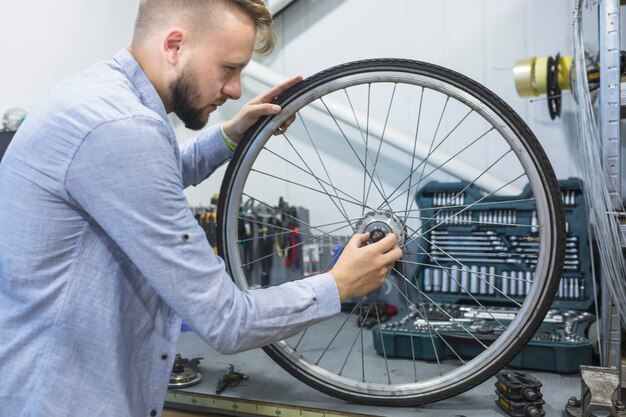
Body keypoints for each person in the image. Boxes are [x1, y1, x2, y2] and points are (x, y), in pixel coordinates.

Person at [0, 1, 402, 416]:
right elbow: (228, 320)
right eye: (229, 68)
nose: (235, 90)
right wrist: (338, 285)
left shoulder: (98, 97)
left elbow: (153, 177)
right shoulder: (121, 128)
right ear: (174, 45)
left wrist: (230, 134)